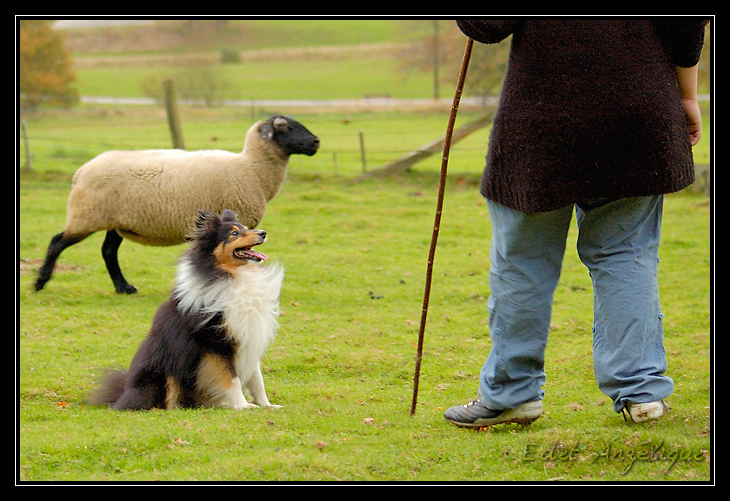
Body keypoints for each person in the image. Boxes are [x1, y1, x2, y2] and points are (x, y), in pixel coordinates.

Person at [444, 19, 709, 428]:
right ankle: (640, 393)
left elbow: (486, 25)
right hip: (637, 113)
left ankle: (512, 394)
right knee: (625, 253)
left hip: (541, 122)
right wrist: (688, 96)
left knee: (522, 264)